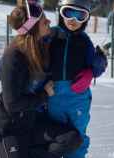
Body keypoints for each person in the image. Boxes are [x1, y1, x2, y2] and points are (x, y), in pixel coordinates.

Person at [0, 1, 83, 158]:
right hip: (10, 127)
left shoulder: (43, 45)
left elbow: (68, 36)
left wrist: (94, 64)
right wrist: (44, 95)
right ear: (34, 29)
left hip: (32, 123)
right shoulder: (13, 58)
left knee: (72, 139)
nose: (49, 22)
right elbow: (13, 104)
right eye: (44, 21)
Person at [46, 0, 108, 158]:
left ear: (86, 19)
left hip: (77, 98)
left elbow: (96, 66)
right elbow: (33, 57)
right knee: (53, 135)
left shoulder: (85, 42)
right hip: (53, 96)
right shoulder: (50, 36)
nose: (73, 20)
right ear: (60, 12)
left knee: (77, 136)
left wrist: (93, 69)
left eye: (80, 15)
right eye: (69, 13)